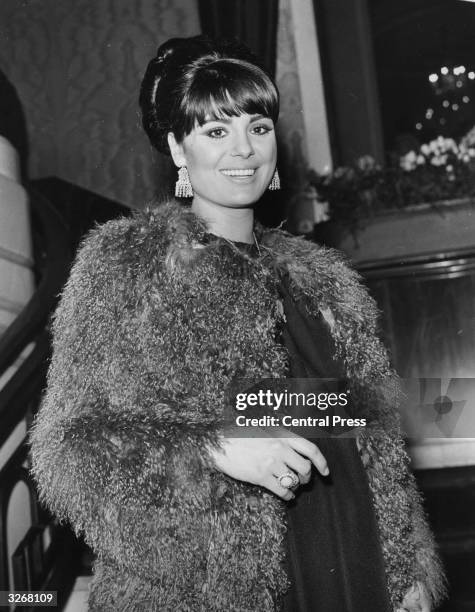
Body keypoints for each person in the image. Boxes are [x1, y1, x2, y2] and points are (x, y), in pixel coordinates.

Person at [29, 35, 446, 611]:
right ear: (178, 148)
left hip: (352, 563)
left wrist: (407, 568)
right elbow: (68, 448)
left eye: (258, 126)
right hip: (219, 586)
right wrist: (214, 451)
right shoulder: (130, 266)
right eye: (216, 131)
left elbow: (370, 437)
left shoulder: (324, 282)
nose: (244, 150)